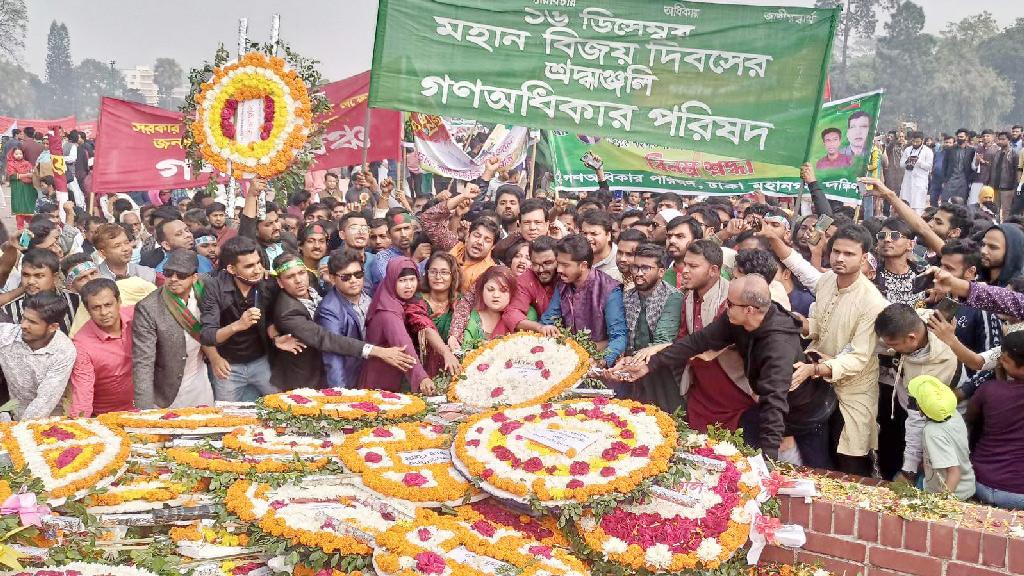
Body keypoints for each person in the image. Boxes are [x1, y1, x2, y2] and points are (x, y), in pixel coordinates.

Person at [615, 274, 818, 462]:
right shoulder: (737, 319)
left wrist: (766, 464)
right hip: (767, 403)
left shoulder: (778, 346)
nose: (725, 307)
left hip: (798, 409)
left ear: (749, 309)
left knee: (791, 460)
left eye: (729, 304)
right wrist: (650, 365)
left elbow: (774, 405)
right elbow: (697, 342)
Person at [791, 224, 889, 475]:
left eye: (849, 254)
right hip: (818, 383)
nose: (840, 258)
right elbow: (822, 326)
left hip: (852, 390)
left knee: (849, 459)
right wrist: (803, 325)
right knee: (816, 457)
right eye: (836, 252)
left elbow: (858, 357)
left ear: (865, 258)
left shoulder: (872, 301)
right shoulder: (826, 281)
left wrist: (816, 368)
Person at [270, 253, 415, 390]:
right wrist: (376, 351)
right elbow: (326, 339)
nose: (299, 280)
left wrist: (337, 281)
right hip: (304, 379)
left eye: (301, 273)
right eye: (290, 277)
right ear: (280, 282)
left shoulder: (311, 284)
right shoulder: (287, 311)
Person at [200, 236, 294, 401]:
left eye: (258, 263)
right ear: (231, 269)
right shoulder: (214, 287)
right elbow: (207, 335)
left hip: (262, 362)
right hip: (229, 366)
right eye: (249, 266)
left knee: (281, 407)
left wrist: (276, 336)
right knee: (228, 416)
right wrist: (237, 325)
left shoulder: (267, 283)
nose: (257, 269)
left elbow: (275, 318)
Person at [873, 303, 960, 482]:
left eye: (894, 345)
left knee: (926, 462)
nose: (890, 348)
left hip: (929, 419)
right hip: (898, 399)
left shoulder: (935, 367)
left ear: (912, 338)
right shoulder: (918, 320)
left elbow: (917, 420)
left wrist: (908, 470)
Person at [132, 250, 218, 409]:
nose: (173, 279)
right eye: (168, 273)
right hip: (166, 391)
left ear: (194, 277)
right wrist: (144, 410)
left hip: (200, 381)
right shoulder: (148, 308)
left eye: (181, 275)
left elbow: (229, 275)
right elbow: (143, 362)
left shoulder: (206, 286)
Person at [539, 234, 627, 369]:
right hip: (566, 359)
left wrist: (602, 361)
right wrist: (547, 328)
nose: (559, 270)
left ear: (583, 265)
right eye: (559, 264)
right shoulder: (562, 285)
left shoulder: (609, 289)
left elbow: (619, 337)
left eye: (565, 265)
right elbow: (548, 320)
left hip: (598, 364)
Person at [358, 257, 435, 393]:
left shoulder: (394, 299)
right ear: (392, 281)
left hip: (393, 372)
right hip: (381, 379)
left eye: (412, 279)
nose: (409, 286)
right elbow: (403, 344)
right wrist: (421, 377)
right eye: (402, 281)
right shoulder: (388, 311)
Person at [621, 243, 682, 413]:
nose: (639, 273)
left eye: (646, 268)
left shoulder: (673, 297)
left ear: (661, 272)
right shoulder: (627, 296)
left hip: (662, 370)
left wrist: (634, 360)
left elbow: (664, 340)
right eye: (636, 267)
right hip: (630, 368)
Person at [966, 331, 1024, 509]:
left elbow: (970, 418)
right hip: (1018, 493)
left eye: (1004, 360)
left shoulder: (989, 390)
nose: (999, 362)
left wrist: (999, 384)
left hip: (979, 483)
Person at [0, 292, 76, 420]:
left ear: (53, 327)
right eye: (24, 318)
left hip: (51, 417)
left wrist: (19, 432)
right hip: (14, 410)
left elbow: (45, 400)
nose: (23, 325)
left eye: (32, 322)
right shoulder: (6, 336)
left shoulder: (64, 351)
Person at [69, 279, 135, 417]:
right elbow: (83, 390)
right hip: (108, 417)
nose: (104, 312)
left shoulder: (138, 316)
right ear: (87, 310)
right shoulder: (81, 344)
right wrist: (78, 426)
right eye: (96, 307)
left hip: (151, 408)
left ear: (119, 301)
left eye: (108, 305)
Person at [420, 184, 499, 293]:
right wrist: (462, 196)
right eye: (476, 235)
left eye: (487, 240)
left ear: (493, 246)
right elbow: (428, 219)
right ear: (467, 236)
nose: (480, 242)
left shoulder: (490, 273)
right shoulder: (453, 246)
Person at [908, 375, 975, 500]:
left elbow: (954, 472)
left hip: (953, 493)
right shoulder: (954, 415)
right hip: (967, 485)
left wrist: (942, 503)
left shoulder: (932, 432)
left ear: (921, 409)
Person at [316, 249, 374, 388]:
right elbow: (333, 356)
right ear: (332, 279)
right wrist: (341, 394)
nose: (354, 280)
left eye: (358, 274)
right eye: (346, 277)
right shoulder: (329, 309)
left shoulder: (367, 290)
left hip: (371, 373)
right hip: (349, 379)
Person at [0, 249, 79, 334]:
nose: (30, 281)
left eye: (39, 276)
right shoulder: (9, 311)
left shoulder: (75, 301)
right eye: (26, 275)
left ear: (55, 277)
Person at [462, 266, 527, 349]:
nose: (496, 295)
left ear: (512, 292)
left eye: (503, 290)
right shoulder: (472, 318)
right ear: (482, 290)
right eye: (490, 289)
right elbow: (465, 351)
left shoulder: (523, 316)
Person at [503, 236, 558, 334]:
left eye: (547, 263)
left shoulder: (566, 275)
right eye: (535, 264)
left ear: (558, 260)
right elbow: (512, 313)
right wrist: (539, 327)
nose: (541, 270)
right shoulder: (527, 277)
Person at [368, 209, 416, 293]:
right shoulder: (382, 258)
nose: (403, 234)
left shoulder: (424, 252)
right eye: (397, 230)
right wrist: (416, 260)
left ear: (413, 230)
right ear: (388, 235)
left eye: (406, 228)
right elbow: (393, 287)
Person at [94, 224, 158, 284]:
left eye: (127, 243)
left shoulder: (147, 274)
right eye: (117, 246)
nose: (125, 249)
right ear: (102, 253)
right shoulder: (94, 279)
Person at [578, 210, 621, 282]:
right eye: (584, 233)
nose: (588, 238)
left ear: (608, 235)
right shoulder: (576, 254)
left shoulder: (620, 259)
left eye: (594, 234)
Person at [899, 131, 934, 213]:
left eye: (917, 142)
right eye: (913, 141)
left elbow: (929, 166)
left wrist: (918, 162)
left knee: (917, 208)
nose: (915, 143)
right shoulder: (908, 150)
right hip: (907, 182)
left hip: (919, 183)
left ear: (922, 140)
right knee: (905, 206)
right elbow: (901, 164)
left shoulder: (927, 151)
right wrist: (908, 162)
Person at [988, 132, 1021, 219]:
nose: (1000, 141)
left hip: (1008, 187)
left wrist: (1015, 187)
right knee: (995, 209)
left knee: (1006, 210)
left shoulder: (1014, 154)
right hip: (995, 186)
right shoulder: (996, 153)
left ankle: (1005, 228)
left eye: (1003, 139)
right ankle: (996, 226)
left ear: (1009, 140)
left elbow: (1016, 172)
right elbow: (992, 169)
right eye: (999, 139)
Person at [6, 148, 36, 228]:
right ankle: (20, 228)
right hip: (18, 188)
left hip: (28, 188)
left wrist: (30, 174)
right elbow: (12, 176)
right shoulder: (11, 164)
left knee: (29, 206)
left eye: (20, 154)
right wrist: (26, 175)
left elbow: (32, 171)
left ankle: (32, 226)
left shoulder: (27, 163)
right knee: (20, 207)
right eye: (16, 154)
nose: (19, 156)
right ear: (12, 155)